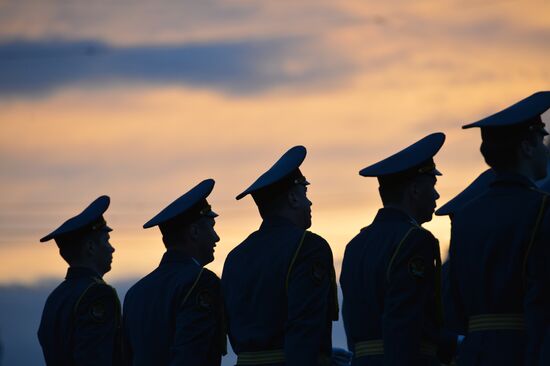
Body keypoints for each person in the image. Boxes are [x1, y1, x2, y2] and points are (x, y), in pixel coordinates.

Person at [448, 91, 550, 365]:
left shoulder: (465, 215)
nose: (546, 148)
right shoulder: (541, 208)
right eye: (542, 139)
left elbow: (453, 302)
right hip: (526, 350)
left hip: (474, 353)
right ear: (527, 147)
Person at [340, 132, 456, 366]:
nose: (436, 195)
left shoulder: (356, 245)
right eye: (432, 185)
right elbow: (404, 320)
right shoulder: (415, 240)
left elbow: (352, 318)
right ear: (414, 190)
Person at [222, 145, 341, 366]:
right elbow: (304, 328)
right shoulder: (308, 247)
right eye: (305, 194)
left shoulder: (235, 256)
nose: (310, 202)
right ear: (293, 199)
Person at [122, 179, 225, 366]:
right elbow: (192, 355)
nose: (216, 237)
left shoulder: (135, 292)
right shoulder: (200, 281)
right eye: (211, 227)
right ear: (194, 232)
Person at [38, 195, 121, 366]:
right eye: (106, 241)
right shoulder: (97, 294)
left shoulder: (56, 297)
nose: (112, 249)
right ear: (90, 247)